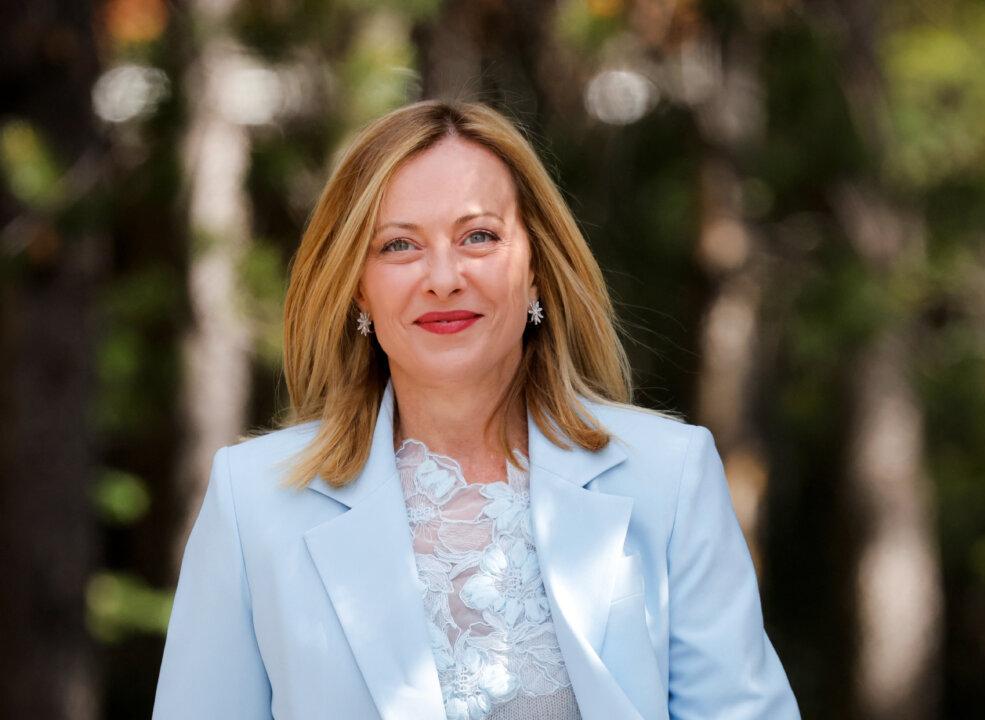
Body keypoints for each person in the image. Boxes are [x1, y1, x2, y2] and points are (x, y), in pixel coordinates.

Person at [152, 99, 800, 720]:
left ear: (537, 267)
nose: (442, 277)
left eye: (479, 236)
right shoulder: (253, 502)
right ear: (358, 286)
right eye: (399, 245)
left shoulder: (670, 476)